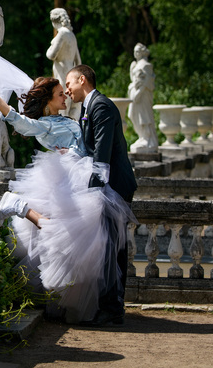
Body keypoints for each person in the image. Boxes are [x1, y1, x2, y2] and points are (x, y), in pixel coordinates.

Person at [0, 73, 136, 324]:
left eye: (65, 89)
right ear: (48, 100)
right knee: (78, 238)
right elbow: (18, 121)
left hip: (84, 175)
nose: (66, 96)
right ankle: (19, 206)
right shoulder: (46, 124)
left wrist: (74, 153)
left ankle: (110, 305)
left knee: (95, 243)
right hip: (79, 178)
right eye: (60, 93)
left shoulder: (69, 116)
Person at [65, 64, 138, 326]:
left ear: (82, 80)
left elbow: (102, 155)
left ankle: (113, 307)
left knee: (111, 246)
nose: (67, 90)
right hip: (107, 185)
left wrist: (94, 192)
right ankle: (110, 304)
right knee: (107, 245)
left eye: (69, 83)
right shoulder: (88, 108)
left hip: (114, 187)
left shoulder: (101, 106)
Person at [45, 8, 81, 120]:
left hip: (62, 73)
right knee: (69, 104)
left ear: (54, 21)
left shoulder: (62, 34)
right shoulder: (71, 35)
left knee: (62, 104)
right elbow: (78, 61)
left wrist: (51, 45)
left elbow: (51, 55)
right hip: (72, 73)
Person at [127, 43, 159, 153]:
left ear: (142, 52)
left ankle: (147, 138)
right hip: (135, 94)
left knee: (144, 116)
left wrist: (139, 93)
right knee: (133, 115)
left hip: (143, 95)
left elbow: (148, 82)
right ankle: (142, 137)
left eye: (137, 51)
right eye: (134, 51)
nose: (135, 53)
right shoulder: (135, 65)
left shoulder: (146, 65)